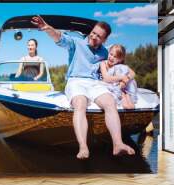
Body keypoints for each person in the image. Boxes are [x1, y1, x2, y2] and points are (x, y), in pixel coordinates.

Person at [31, 16, 135, 159]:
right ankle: (83, 147)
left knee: (110, 102)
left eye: (98, 36)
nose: (93, 37)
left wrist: (125, 81)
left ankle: (117, 144)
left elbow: (117, 68)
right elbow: (59, 37)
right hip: (76, 81)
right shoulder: (76, 43)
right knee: (80, 103)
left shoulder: (104, 52)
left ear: (104, 40)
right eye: (93, 33)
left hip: (95, 84)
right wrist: (47, 28)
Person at [100, 44, 137, 109]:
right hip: (108, 84)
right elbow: (106, 78)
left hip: (121, 85)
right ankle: (122, 96)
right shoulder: (103, 63)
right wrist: (122, 77)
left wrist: (125, 81)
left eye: (115, 57)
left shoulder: (120, 66)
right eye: (111, 54)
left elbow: (133, 73)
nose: (111, 58)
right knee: (119, 75)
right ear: (108, 53)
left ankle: (127, 96)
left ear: (120, 59)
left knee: (122, 69)